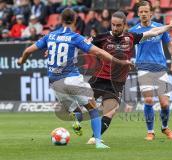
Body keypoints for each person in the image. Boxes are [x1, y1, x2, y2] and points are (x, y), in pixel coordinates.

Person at [17, 8, 132, 149]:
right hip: (71, 78)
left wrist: (21, 61)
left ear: (60, 19)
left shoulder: (50, 36)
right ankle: (97, 142)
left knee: (76, 111)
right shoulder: (75, 37)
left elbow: (28, 50)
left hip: (54, 82)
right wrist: (119, 61)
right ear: (76, 20)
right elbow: (98, 52)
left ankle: (76, 119)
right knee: (92, 108)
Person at [86, 10, 172, 144]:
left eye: (118, 25)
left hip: (116, 82)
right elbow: (83, 44)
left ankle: (95, 137)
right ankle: (76, 117)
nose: (115, 28)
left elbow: (153, 32)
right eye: (113, 25)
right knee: (84, 103)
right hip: (99, 77)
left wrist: (169, 27)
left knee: (111, 110)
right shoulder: (102, 37)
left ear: (124, 25)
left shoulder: (131, 37)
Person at [129, 1, 172, 141]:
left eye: (146, 11)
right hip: (143, 68)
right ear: (138, 14)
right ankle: (150, 132)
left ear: (151, 13)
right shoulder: (133, 31)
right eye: (141, 12)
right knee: (149, 100)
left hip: (160, 68)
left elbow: (169, 44)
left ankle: (164, 128)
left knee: (164, 103)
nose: (144, 14)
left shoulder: (159, 27)